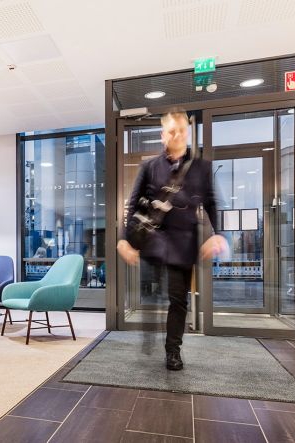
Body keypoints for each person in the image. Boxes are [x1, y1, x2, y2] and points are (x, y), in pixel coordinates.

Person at [116, 109, 228, 371]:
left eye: (181, 131)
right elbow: (133, 205)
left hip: (183, 244)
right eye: (172, 131)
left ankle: (173, 350)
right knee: (151, 295)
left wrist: (218, 234)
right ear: (162, 134)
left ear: (187, 133)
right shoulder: (149, 167)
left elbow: (212, 204)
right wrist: (124, 240)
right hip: (152, 241)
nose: (177, 136)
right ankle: (149, 334)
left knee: (178, 300)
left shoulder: (201, 168)